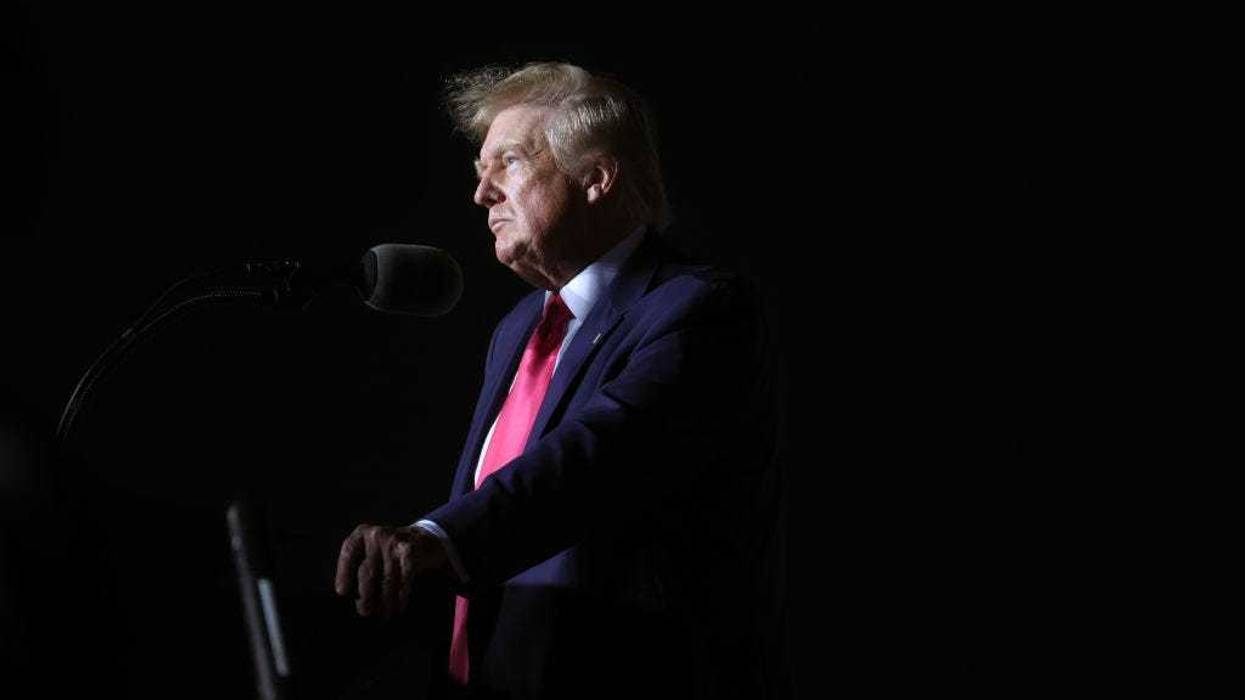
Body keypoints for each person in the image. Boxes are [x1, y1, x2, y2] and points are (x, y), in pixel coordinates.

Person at [335, 62, 786, 699]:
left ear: (596, 178)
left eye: (510, 163)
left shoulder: (700, 309)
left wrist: (437, 536)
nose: (482, 194)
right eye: (478, 172)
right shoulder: (518, 329)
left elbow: (597, 457)